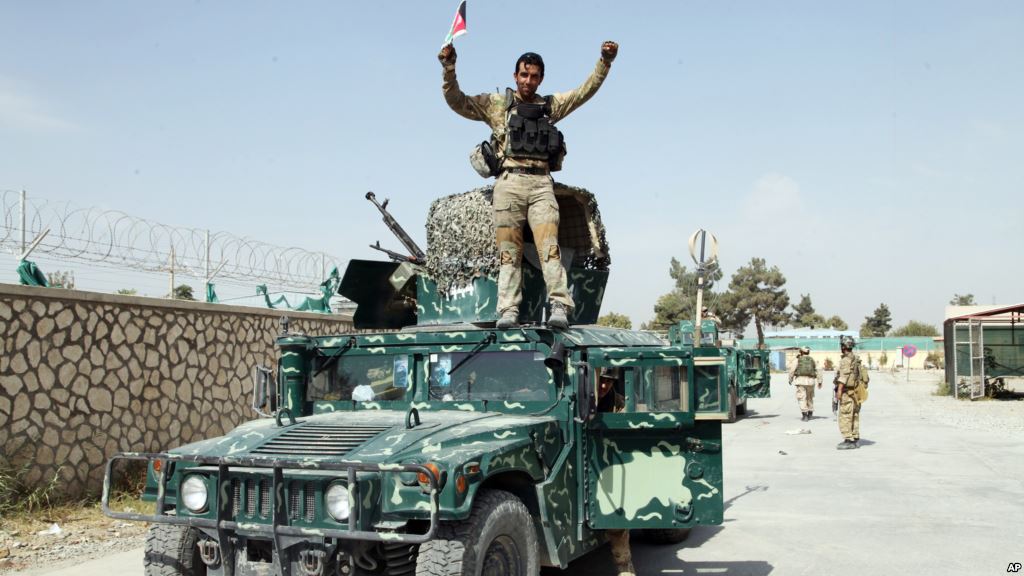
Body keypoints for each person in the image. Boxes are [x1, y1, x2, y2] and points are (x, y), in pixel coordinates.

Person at [438, 41, 618, 330]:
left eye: (534, 76)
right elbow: (456, 100)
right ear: (515, 76)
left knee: (550, 248)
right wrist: (449, 67)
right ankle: (508, 309)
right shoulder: (497, 105)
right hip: (509, 183)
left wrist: (604, 61)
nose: (528, 81)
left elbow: (585, 92)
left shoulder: (548, 107)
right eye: (524, 75)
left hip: (541, 184)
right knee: (509, 253)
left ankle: (559, 305)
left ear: (541, 79)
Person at [595, 367, 634, 576]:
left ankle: (624, 566)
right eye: (600, 380)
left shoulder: (619, 403)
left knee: (616, 514)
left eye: (608, 382)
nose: (603, 386)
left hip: (609, 462)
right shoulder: (576, 397)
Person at [834, 336, 862, 449]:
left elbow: (843, 377)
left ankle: (848, 440)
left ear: (844, 346)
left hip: (847, 393)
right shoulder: (856, 358)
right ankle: (855, 438)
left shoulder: (846, 360)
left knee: (845, 416)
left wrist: (839, 391)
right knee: (854, 415)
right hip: (855, 392)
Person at [788, 346, 821, 421]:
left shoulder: (797, 360)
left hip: (800, 381)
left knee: (801, 398)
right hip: (811, 381)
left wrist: (790, 379)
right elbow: (819, 370)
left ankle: (805, 415)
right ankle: (810, 413)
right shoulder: (812, 360)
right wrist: (820, 381)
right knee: (810, 398)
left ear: (801, 352)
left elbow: (792, 370)